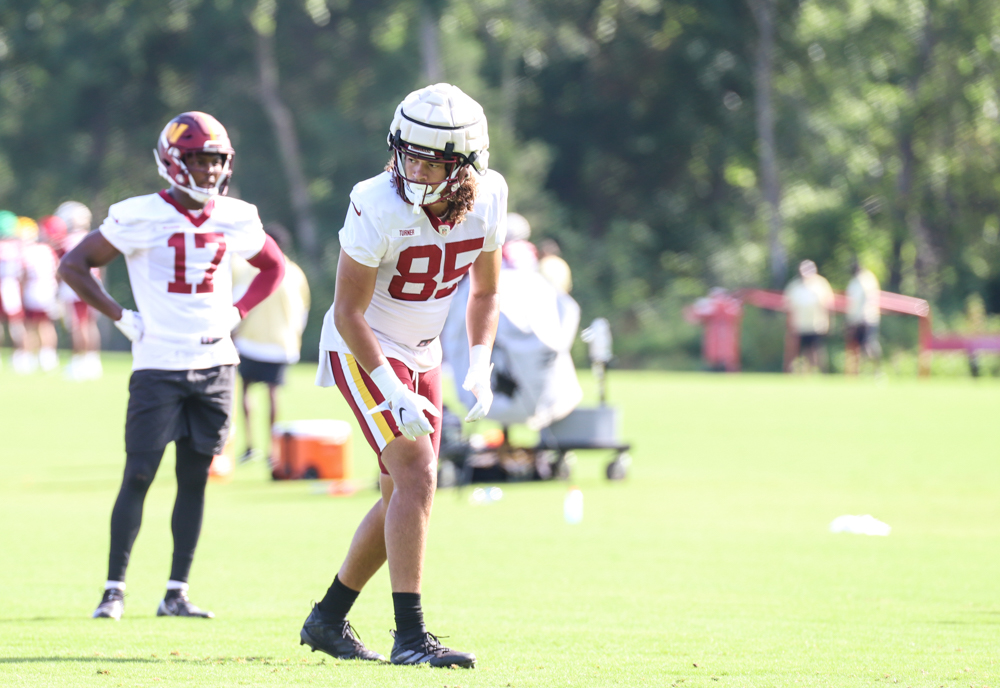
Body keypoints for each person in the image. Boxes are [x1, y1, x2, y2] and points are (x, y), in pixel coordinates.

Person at [302, 83, 504, 668]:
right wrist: (391, 388)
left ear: (466, 165)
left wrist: (482, 360)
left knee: (403, 493)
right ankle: (411, 637)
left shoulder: (489, 198)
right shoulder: (375, 200)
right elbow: (347, 312)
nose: (411, 167)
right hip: (363, 346)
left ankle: (328, 619)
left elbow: (486, 291)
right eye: (406, 151)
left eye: (430, 159)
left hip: (423, 350)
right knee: (417, 473)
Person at [58, 111, 285, 621]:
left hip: (215, 362)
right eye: (201, 161)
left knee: (196, 477)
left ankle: (176, 591)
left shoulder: (237, 214)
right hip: (158, 362)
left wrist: (238, 311)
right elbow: (73, 264)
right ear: (173, 161)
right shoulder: (139, 214)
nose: (210, 172)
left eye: (217, 161)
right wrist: (120, 317)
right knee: (138, 473)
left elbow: (274, 267)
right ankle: (114, 588)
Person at [232, 223, 311, 465]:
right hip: (281, 344)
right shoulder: (296, 273)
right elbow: (302, 312)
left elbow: (236, 301)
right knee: (273, 394)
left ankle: (249, 446)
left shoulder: (250, 270)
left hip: (249, 341)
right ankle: (273, 451)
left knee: (245, 391)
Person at [54, 201, 104, 380]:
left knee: (79, 325)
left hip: (76, 288)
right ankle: (92, 360)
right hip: (93, 285)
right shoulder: (92, 236)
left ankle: (79, 361)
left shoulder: (67, 241)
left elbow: (61, 268)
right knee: (90, 324)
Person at [18, 216, 61, 372]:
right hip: (48, 290)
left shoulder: (27, 252)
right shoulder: (47, 250)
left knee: (30, 326)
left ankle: (28, 357)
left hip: (33, 291)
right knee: (46, 325)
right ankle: (48, 356)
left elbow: (24, 275)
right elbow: (57, 271)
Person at [783, 259, 834, 373]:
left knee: (816, 350)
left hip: (817, 324)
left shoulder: (821, 284)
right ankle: (802, 372)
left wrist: (828, 322)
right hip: (799, 325)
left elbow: (827, 305)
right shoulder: (794, 286)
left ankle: (820, 371)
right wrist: (790, 323)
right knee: (800, 350)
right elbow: (789, 307)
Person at [845, 260, 882, 374]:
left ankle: (876, 370)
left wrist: (864, 316)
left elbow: (868, 300)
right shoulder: (854, 282)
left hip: (867, 319)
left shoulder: (866, 279)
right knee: (857, 346)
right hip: (856, 319)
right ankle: (859, 371)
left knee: (869, 343)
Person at [0, 210, 26, 363]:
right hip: (13, 286)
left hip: (5, 284)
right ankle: (21, 356)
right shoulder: (19, 246)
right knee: (16, 323)